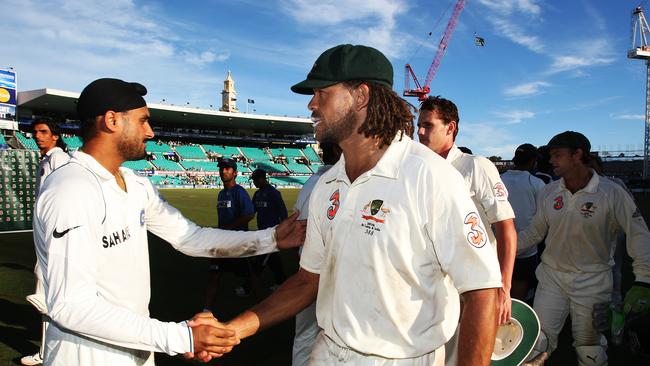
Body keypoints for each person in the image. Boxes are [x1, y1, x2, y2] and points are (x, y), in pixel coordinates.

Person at [192, 44, 503, 365]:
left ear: (361, 97)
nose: (312, 104)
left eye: (322, 93)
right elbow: (307, 280)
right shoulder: (326, 185)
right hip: (328, 351)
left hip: (400, 359)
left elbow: (481, 292)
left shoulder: (429, 176)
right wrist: (233, 330)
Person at [32, 78, 306, 366]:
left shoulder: (135, 184)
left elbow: (191, 237)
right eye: (143, 121)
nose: (150, 132)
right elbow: (71, 305)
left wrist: (272, 239)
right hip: (84, 355)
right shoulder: (71, 188)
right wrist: (183, 338)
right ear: (111, 120)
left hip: (135, 347)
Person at [518, 131, 650, 366]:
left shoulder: (611, 192)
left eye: (557, 155)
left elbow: (638, 234)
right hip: (551, 279)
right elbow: (534, 233)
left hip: (593, 281)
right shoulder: (549, 191)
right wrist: (499, 251)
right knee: (537, 342)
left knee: (589, 347)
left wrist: (643, 279)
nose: (551, 161)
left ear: (578, 154)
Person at [416, 95, 517, 326]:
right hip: (430, 284)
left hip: (472, 284)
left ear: (450, 128)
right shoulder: (418, 169)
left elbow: (506, 228)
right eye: (419, 125)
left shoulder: (475, 166)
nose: (420, 132)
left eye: (428, 125)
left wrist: (503, 288)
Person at [21, 119, 71, 366]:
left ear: (55, 136)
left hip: (54, 244)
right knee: (48, 301)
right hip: (47, 243)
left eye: (43, 132)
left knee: (47, 301)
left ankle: (47, 354)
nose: (37, 136)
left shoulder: (58, 158)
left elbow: (62, 199)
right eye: (35, 132)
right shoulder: (47, 159)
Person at [291, 142, 341, 366]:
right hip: (326, 271)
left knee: (304, 333)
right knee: (331, 336)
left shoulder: (310, 182)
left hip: (305, 264)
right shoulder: (337, 182)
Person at [204, 158, 257, 303]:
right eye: (221, 168)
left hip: (237, 242)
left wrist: (229, 228)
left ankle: (260, 307)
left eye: (227, 168)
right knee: (214, 274)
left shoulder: (240, 192)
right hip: (222, 241)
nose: (223, 171)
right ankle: (207, 309)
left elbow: (249, 214)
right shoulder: (221, 194)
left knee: (248, 273)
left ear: (235, 173)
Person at [500, 143, 546, 303]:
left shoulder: (498, 180)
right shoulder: (537, 183)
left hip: (499, 247)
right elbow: (543, 217)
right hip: (525, 251)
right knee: (518, 300)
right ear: (533, 162)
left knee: (499, 296)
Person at [250, 168, 289, 289]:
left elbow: (283, 212)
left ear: (262, 178)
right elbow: (252, 211)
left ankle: (248, 287)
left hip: (271, 233)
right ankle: (281, 282)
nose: (254, 182)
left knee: (260, 260)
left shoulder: (273, 193)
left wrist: (283, 230)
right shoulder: (257, 194)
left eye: (256, 180)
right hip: (261, 232)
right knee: (273, 259)